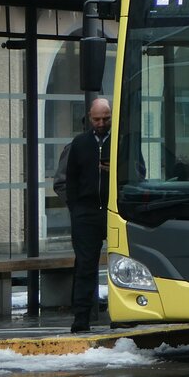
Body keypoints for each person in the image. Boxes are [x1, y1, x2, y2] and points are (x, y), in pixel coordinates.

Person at [66, 97, 112, 332]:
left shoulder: (120, 141)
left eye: (105, 118)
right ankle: (81, 317)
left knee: (122, 264)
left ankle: (123, 312)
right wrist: (76, 209)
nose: (101, 123)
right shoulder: (80, 143)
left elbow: (137, 171)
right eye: (97, 119)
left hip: (113, 209)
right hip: (86, 211)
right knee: (85, 265)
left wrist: (112, 171)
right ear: (89, 118)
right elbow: (70, 179)